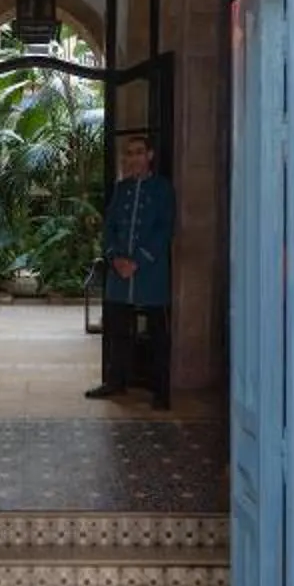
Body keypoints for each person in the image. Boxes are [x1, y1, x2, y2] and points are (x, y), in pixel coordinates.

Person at [87, 130, 172, 407]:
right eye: (129, 153)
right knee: (116, 331)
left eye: (138, 153)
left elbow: (164, 229)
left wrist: (137, 261)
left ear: (149, 156)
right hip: (119, 275)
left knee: (157, 334)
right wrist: (115, 259)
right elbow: (109, 228)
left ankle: (160, 390)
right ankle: (116, 382)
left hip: (150, 274)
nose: (132, 158)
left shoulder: (162, 189)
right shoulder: (121, 190)